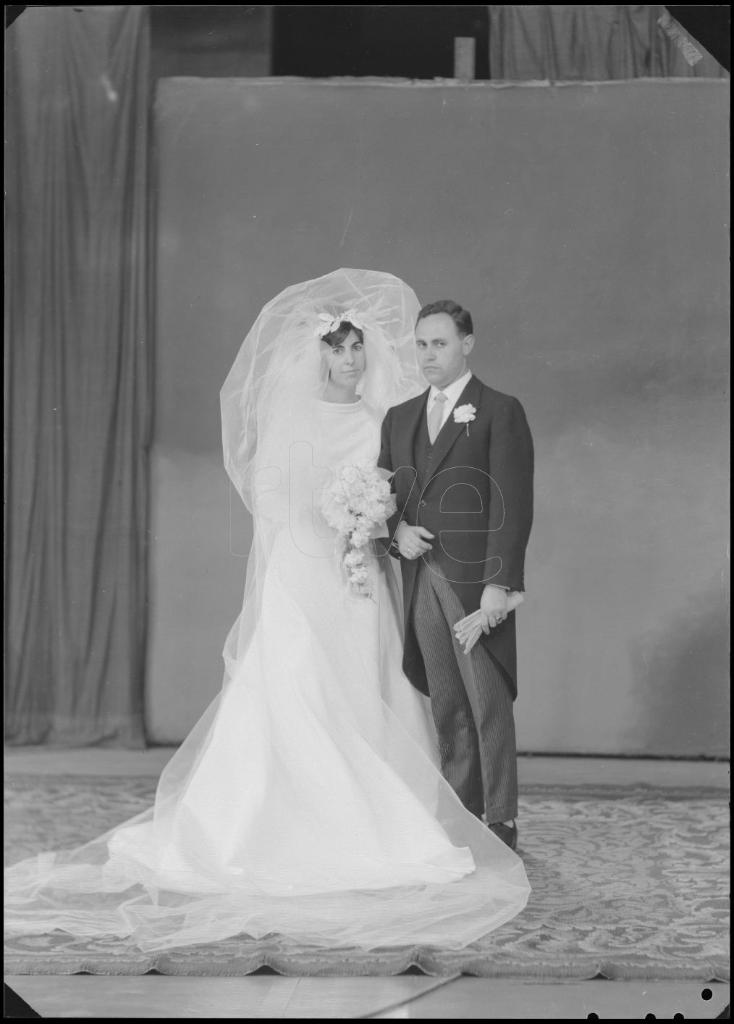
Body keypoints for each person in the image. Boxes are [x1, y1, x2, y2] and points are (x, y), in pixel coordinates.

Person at [5, 270, 529, 954]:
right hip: (307, 571)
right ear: (316, 356)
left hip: (362, 577)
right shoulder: (297, 417)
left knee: (381, 689)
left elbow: (403, 492)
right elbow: (278, 500)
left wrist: (374, 521)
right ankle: (284, 823)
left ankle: (444, 815)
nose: (350, 361)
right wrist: (342, 519)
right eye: (337, 350)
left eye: (357, 350)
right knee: (296, 688)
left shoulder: (386, 418)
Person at [378, 299, 534, 851]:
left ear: (467, 344)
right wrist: (396, 531)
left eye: (439, 343)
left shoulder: (499, 410)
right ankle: (463, 813)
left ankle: (500, 820)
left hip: (476, 585)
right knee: (446, 701)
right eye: (420, 344)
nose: (428, 355)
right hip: (422, 579)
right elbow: (384, 497)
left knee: (487, 701)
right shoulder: (398, 418)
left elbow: (512, 505)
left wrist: (501, 585)